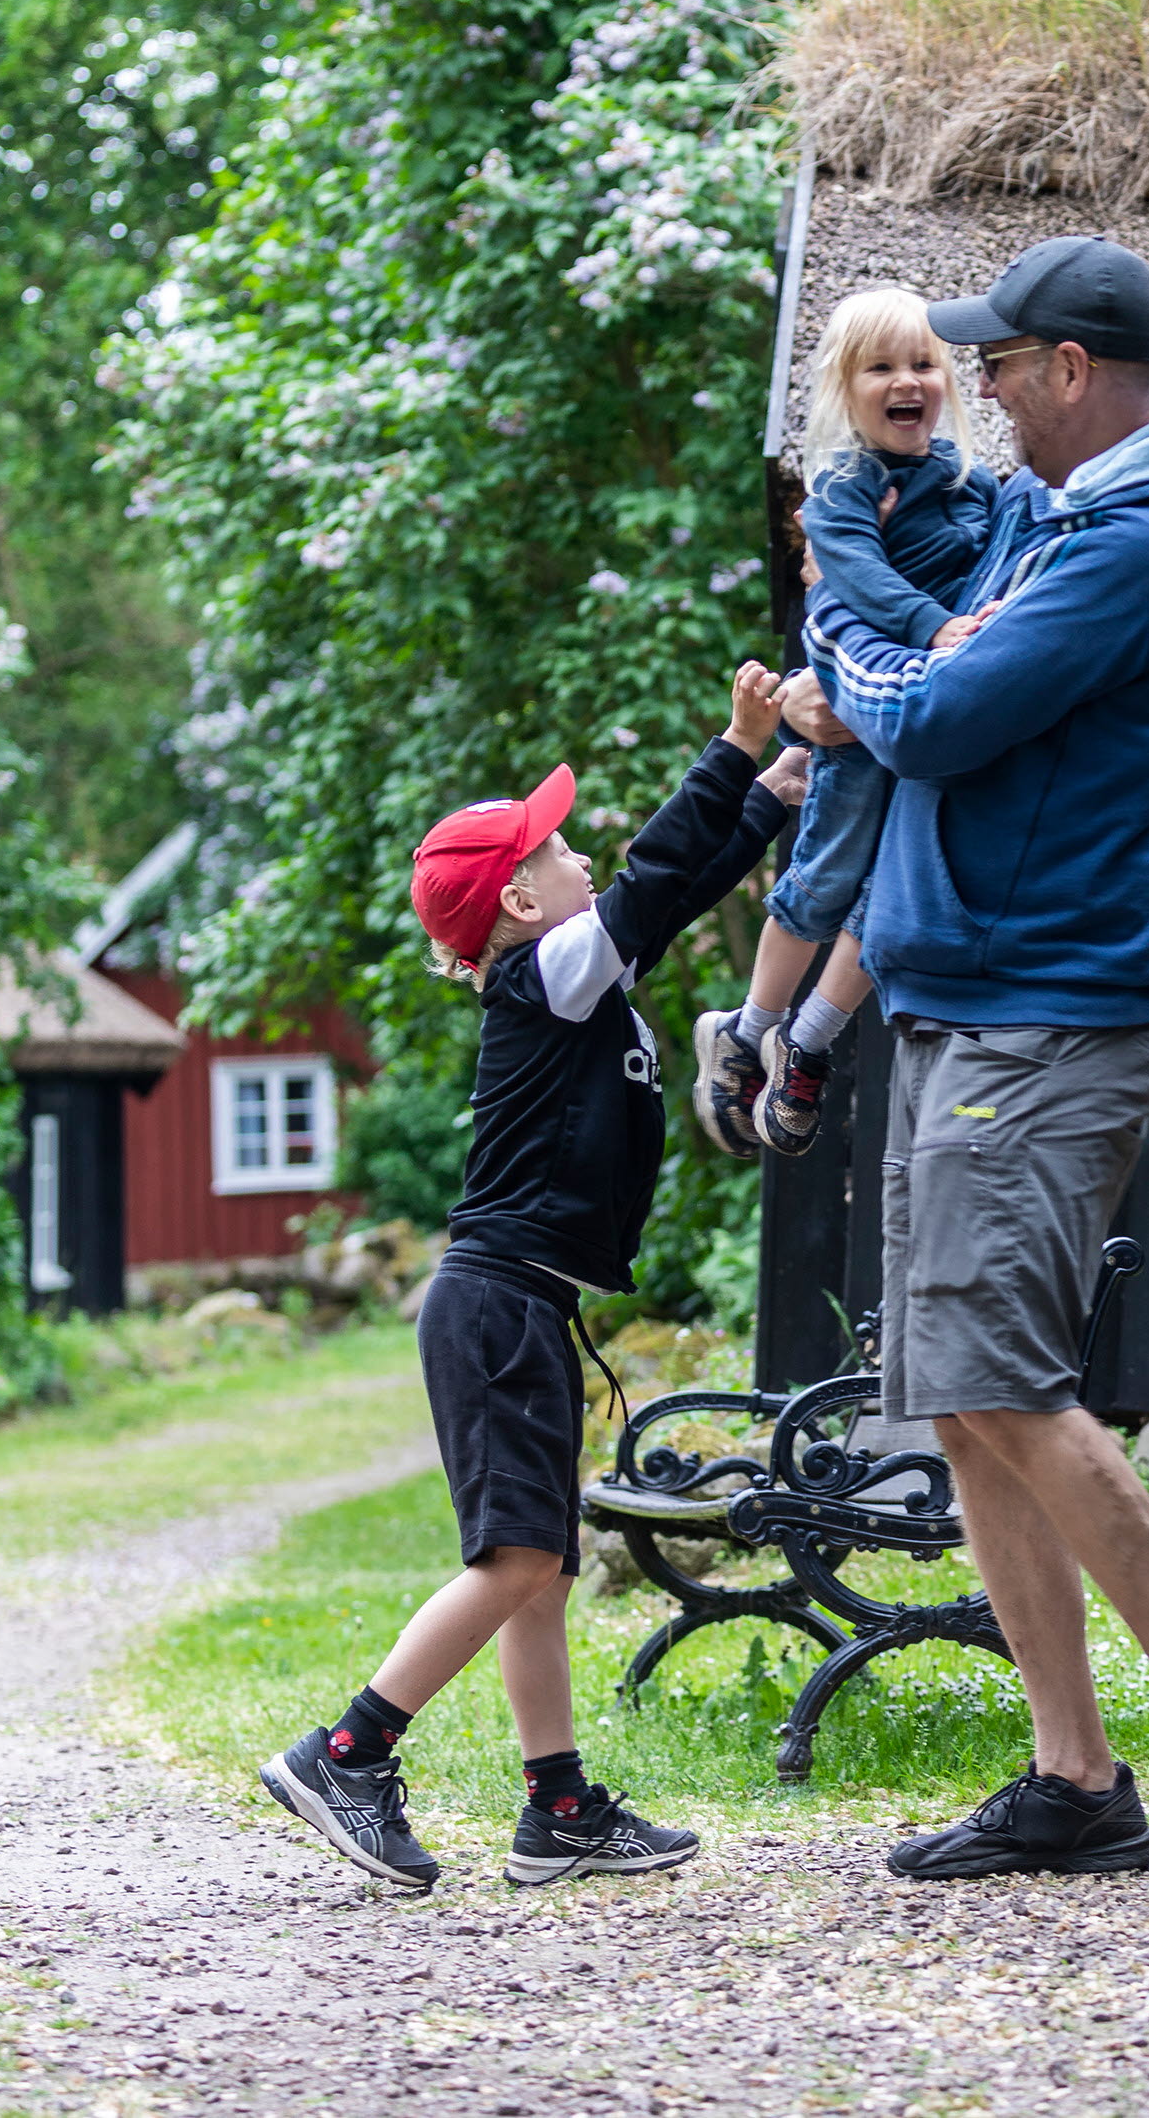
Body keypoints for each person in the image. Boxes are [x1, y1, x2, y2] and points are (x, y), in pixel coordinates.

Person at [784, 235, 1149, 1889]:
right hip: (964, 1005)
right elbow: (928, 669)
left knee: (1006, 1375)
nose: (982, 389)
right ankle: (1072, 1776)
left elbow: (933, 720)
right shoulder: (1053, 526)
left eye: (1002, 364)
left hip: (1048, 1017)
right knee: (957, 1396)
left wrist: (847, 689)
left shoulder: (1133, 551)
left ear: (1072, 369)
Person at [257, 659, 805, 1893]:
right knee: (511, 1560)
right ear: (517, 898)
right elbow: (653, 885)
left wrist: (766, 804)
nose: (581, 859)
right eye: (558, 851)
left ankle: (555, 1807)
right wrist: (730, 750)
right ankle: (348, 1751)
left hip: (520, 1303)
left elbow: (663, 900)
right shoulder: (541, 975)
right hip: (498, 1303)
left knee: (543, 1564)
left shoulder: (570, 974)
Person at [690, 286, 999, 1163]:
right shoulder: (842, 488)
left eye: (923, 364)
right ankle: (749, 1029)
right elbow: (850, 578)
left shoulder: (970, 490)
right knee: (825, 875)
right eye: (882, 368)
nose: (907, 380)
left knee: (889, 902)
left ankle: (808, 1042)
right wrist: (932, 627)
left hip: (930, 734)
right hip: (861, 720)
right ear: (843, 386)